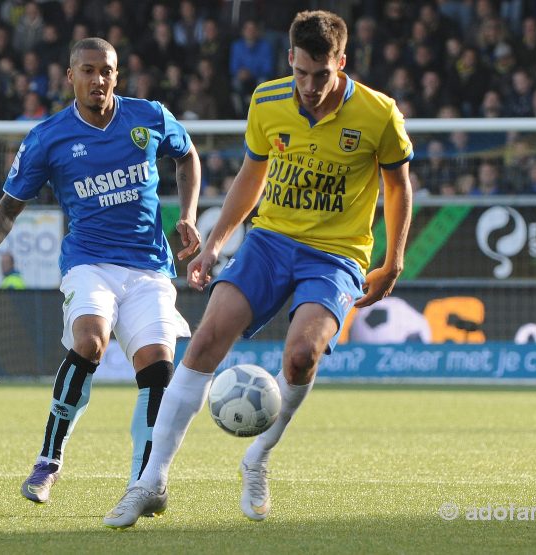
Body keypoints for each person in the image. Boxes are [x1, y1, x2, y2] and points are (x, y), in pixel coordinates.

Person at [104, 9, 414, 528]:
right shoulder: (267, 101)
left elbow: (398, 185)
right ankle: (150, 482)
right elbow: (253, 174)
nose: (310, 86)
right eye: (301, 73)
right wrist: (215, 244)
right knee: (204, 343)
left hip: (336, 254)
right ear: (289, 59)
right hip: (269, 242)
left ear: (342, 62)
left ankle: (258, 457)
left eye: (322, 74)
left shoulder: (379, 114)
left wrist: (393, 261)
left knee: (299, 357)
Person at [0, 37, 201, 504]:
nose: (98, 80)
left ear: (117, 75)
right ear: (70, 76)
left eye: (106, 71)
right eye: (87, 71)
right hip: (88, 263)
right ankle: (49, 460)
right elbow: (9, 207)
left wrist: (187, 214)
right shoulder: (48, 137)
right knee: (90, 341)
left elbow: (186, 155)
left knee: (157, 367)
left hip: (149, 267)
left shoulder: (148, 116)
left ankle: (144, 480)